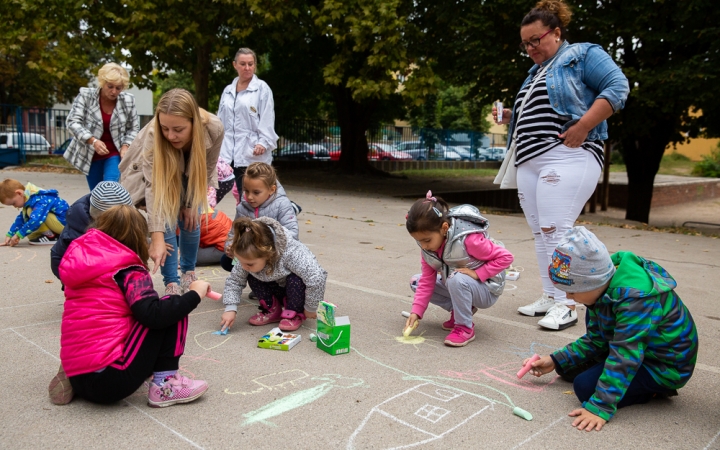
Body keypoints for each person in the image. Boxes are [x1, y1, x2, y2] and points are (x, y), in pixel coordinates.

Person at [492, 0, 629, 330]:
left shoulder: (581, 54)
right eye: (525, 44)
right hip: (529, 159)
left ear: (555, 32)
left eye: (535, 40)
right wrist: (511, 116)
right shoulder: (535, 73)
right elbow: (541, 111)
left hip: (567, 154)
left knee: (556, 228)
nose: (530, 48)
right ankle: (552, 295)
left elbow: (618, 87)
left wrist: (582, 126)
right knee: (542, 233)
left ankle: (568, 304)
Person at [524, 226, 698, 431]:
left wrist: (600, 406)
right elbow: (596, 339)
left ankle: (654, 391)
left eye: (572, 291)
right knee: (567, 368)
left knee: (585, 388)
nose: (569, 297)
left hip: (664, 366)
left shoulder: (636, 301)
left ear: (592, 283)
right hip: (637, 348)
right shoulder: (601, 290)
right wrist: (555, 360)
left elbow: (625, 356)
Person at [48, 205, 212, 407]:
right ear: (138, 238)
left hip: (78, 375)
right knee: (168, 307)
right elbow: (154, 316)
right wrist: (195, 293)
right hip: (111, 379)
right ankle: (165, 385)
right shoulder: (128, 270)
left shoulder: (83, 263)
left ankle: (72, 373)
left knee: (113, 317)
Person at [120, 88, 223, 295]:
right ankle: (171, 283)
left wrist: (192, 203)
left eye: (178, 129)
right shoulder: (153, 135)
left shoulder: (214, 128)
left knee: (191, 220)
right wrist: (156, 237)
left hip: (191, 174)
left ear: (194, 122)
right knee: (166, 223)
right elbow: (154, 188)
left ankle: (188, 274)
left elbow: (208, 168)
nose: (170, 135)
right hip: (160, 177)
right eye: (165, 128)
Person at [405, 191, 514, 347]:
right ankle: (462, 309)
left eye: (427, 240)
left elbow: (506, 257)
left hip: (487, 289)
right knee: (417, 281)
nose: (424, 246)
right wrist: (416, 312)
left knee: (457, 279)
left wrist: (478, 274)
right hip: (459, 283)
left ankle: (464, 327)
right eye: (419, 241)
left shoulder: (468, 239)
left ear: (444, 228)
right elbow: (427, 281)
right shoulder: (427, 249)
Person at [220, 217, 327, 332]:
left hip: (296, 292)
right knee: (251, 274)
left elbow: (316, 277)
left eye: (249, 263)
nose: (244, 266)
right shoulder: (248, 258)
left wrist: (311, 307)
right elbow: (235, 281)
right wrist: (230, 308)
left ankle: (294, 312)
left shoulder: (292, 253)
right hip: (276, 287)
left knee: (296, 279)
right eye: (240, 261)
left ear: (268, 254)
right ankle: (272, 310)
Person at [65, 63, 140, 190]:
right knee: (96, 195)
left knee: (110, 190)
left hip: (115, 153)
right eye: (110, 86)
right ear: (102, 82)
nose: (114, 91)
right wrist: (92, 140)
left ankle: (111, 209)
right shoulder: (86, 96)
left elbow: (134, 127)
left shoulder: (128, 100)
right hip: (90, 154)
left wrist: (126, 145)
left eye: (118, 88)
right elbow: (73, 122)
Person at [218, 47, 278, 193]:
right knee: (224, 189)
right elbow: (220, 120)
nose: (247, 68)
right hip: (228, 151)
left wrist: (263, 142)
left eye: (250, 64)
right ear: (235, 65)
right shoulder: (227, 91)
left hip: (252, 151)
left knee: (254, 191)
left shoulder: (262, 89)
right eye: (243, 64)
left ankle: (286, 208)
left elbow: (267, 118)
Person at [220, 162, 299, 272]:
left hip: (273, 253)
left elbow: (292, 234)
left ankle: (269, 284)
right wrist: (231, 247)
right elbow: (234, 233)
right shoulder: (242, 207)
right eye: (246, 191)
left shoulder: (282, 205)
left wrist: (267, 248)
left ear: (272, 189)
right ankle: (254, 281)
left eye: (256, 192)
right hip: (252, 253)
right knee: (227, 261)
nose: (250, 197)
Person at [50, 181, 133, 279]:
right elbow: (57, 258)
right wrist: (72, 284)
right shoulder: (77, 229)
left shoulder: (129, 223)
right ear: (97, 217)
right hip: (84, 280)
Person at [0, 178, 69, 246]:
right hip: (58, 224)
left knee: (31, 213)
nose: (14, 206)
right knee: (31, 235)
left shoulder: (39, 200)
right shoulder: (29, 198)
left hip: (65, 227)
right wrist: (10, 234)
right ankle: (53, 234)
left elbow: (36, 220)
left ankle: (52, 237)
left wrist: (18, 235)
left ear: (19, 193)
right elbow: (21, 219)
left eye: (13, 203)